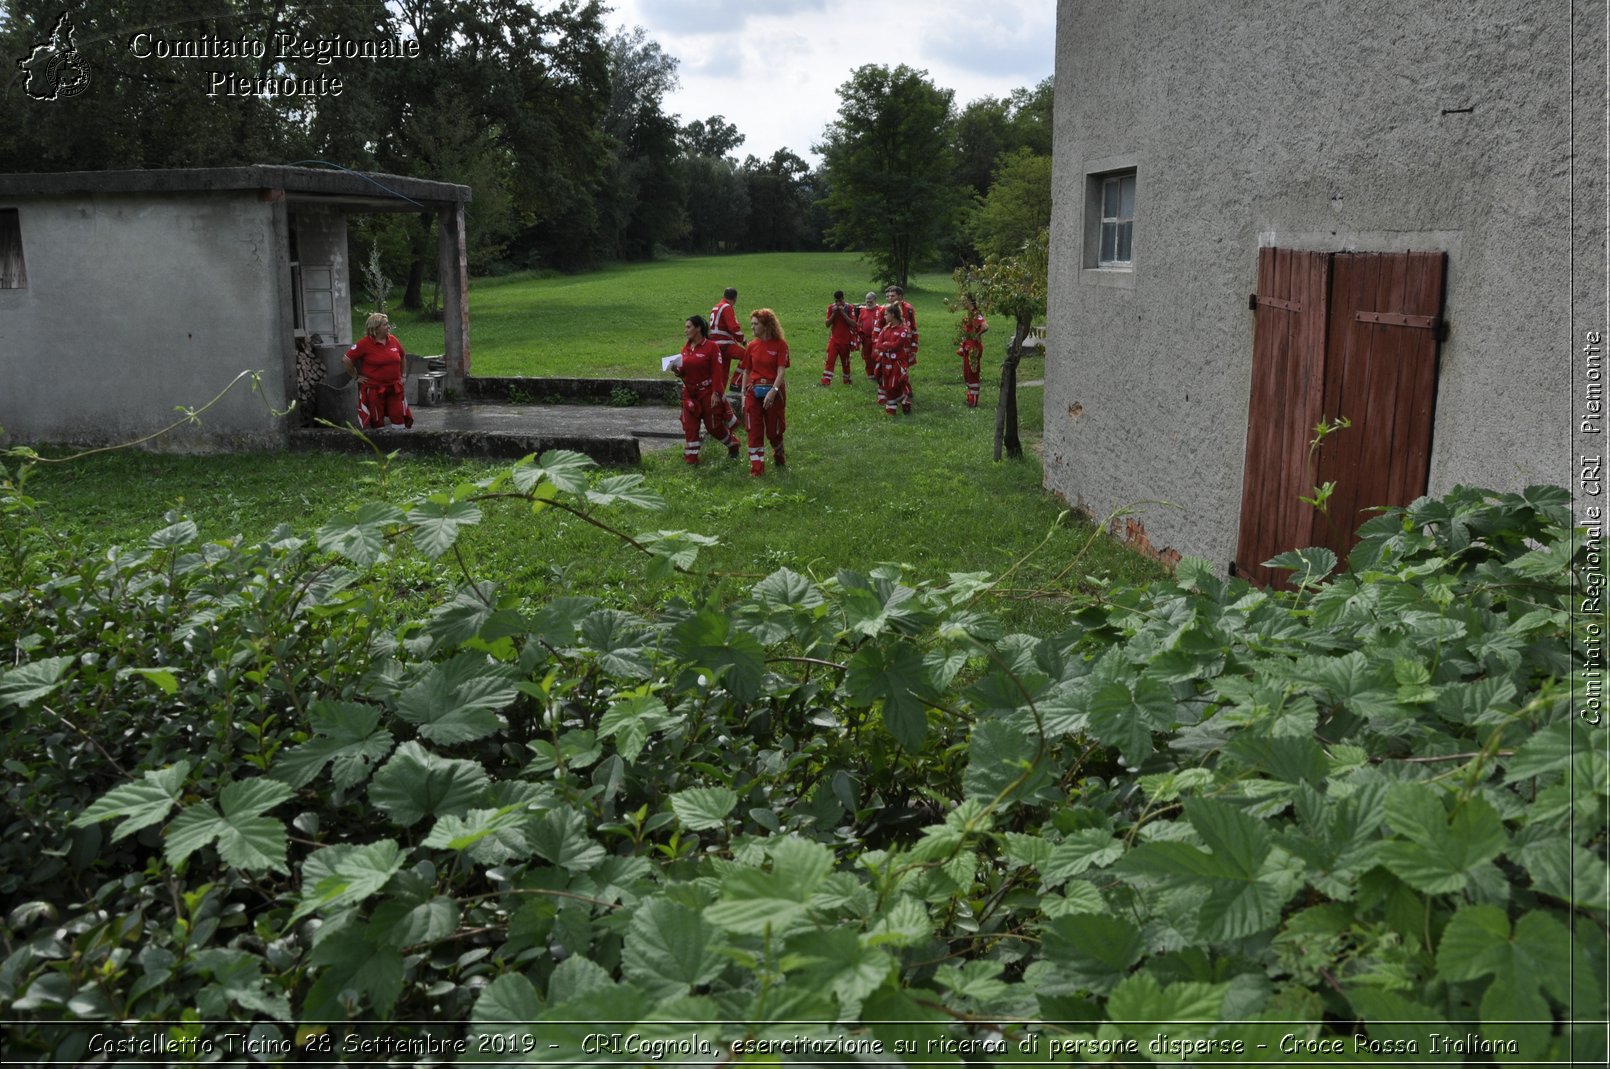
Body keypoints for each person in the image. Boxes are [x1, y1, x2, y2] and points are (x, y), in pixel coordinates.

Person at [671, 315, 742, 464]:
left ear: (698, 328)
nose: (686, 330)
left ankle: (733, 444)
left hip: (707, 393)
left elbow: (717, 372)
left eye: (688, 327)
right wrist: (676, 370)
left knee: (713, 427)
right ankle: (691, 459)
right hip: (689, 394)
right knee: (690, 427)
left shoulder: (711, 347)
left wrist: (716, 393)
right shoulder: (686, 348)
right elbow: (683, 371)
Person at [739, 308, 790, 476]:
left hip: (773, 391)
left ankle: (779, 455)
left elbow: (781, 372)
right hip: (754, 391)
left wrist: (773, 392)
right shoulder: (752, 346)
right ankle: (757, 469)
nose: (752, 328)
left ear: (766, 325)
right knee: (753, 430)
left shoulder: (781, 345)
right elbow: (746, 371)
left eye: (755, 324)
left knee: (774, 431)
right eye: (752, 324)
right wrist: (743, 395)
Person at [342, 312, 413, 430]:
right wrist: (356, 376)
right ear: (376, 328)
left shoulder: (393, 340)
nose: (388, 327)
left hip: (394, 387)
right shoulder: (364, 343)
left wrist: (403, 375)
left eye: (388, 324)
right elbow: (346, 359)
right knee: (376, 419)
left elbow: (402, 356)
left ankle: (399, 441)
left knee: (398, 415)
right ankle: (380, 444)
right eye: (385, 325)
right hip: (375, 389)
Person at [709, 287, 745, 430]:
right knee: (749, 356)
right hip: (725, 344)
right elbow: (733, 327)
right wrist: (744, 341)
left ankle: (719, 401)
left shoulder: (716, 307)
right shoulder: (727, 307)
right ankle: (736, 382)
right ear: (734, 298)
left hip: (716, 345)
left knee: (722, 374)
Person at [875, 302, 916, 417]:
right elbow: (878, 344)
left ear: (892, 315)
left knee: (894, 384)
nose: (884, 317)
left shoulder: (903, 329)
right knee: (887, 384)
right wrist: (887, 345)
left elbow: (897, 345)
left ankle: (904, 400)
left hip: (898, 362)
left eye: (886, 314)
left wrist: (886, 345)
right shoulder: (885, 329)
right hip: (886, 361)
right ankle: (892, 410)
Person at [956, 293, 989, 408]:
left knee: (973, 372)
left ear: (970, 301)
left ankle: (973, 400)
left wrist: (978, 334)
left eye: (964, 301)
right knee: (967, 373)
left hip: (973, 348)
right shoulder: (968, 315)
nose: (962, 303)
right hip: (967, 347)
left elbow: (985, 326)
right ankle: (970, 396)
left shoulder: (976, 314)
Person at [821, 290, 858, 386]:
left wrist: (843, 313)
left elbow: (853, 324)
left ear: (843, 299)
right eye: (836, 301)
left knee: (845, 362)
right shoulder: (831, 308)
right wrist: (833, 313)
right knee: (830, 360)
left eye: (840, 301)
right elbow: (827, 324)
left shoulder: (849, 308)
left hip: (845, 340)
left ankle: (847, 380)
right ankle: (826, 381)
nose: (838, 303)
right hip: (834, 339)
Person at [856, 291, 881, 382]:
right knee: (867, 357)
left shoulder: (880, 311)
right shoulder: (862, 311)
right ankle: (870, 374)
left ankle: (878, 373)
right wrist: (860, 334)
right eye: (867, 302)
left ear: (875, 300)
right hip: (865, 338)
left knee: (875, 356)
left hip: (877, 339)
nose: (869, 304)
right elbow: (858, 324)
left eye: (871, 302)